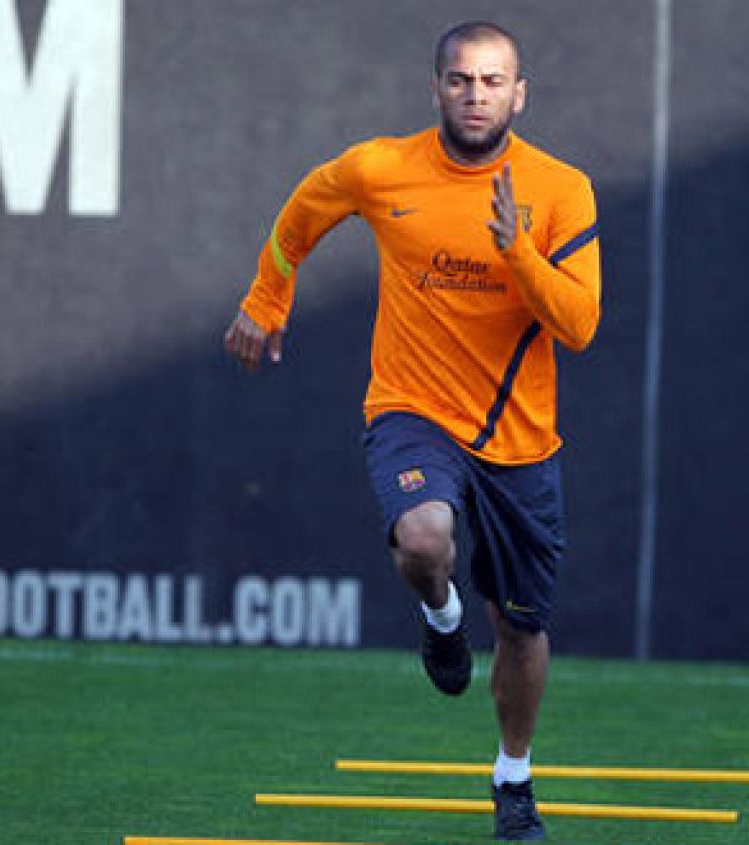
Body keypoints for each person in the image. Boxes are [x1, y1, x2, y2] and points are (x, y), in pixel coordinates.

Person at [224, 20, 600, 842]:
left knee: (523, 628)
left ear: (520, 94)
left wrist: (519, 255)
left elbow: (579, 325)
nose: (476, 95)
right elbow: (300, 218)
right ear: (434, 89)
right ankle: (438, 616)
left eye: (492, 82)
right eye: (460, 80)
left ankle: (513, 777)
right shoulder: (380, 168)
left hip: (520, 443)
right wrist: (266, 297)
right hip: (412, 409)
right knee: (426, 539)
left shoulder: (561, 188)